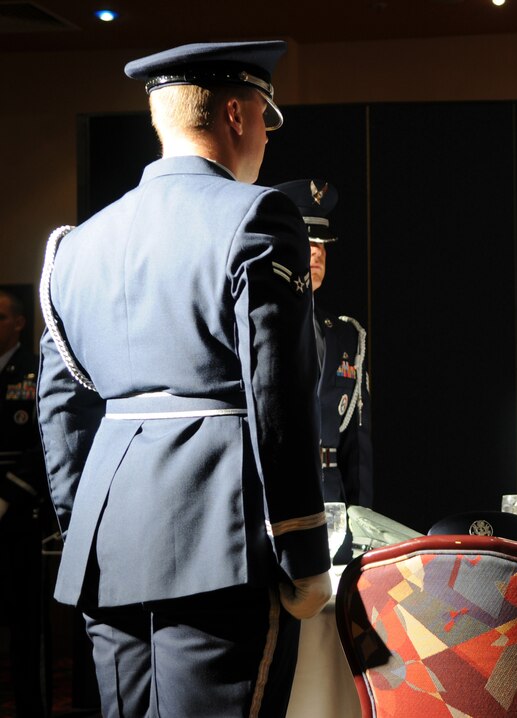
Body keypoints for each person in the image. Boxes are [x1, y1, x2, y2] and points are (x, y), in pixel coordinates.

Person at [36, 41, 332, 718]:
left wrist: (94, 526)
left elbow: (61, 410)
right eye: (263, 119)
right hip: (218, 540)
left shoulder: (75, 245)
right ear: (235, 114)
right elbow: (276, 392)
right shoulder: (257, 215)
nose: (263, 137)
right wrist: (302, 547)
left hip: (108, 546)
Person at [274, 178, 374, 562]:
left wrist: (361, 527)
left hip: (332, 503)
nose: (315, 254)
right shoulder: (253, 325)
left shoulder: (346, 335)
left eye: (322, 246)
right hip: (276, 497)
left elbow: (357, 448)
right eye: (305, 243)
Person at [1, 289, 49, 717]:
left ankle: (33, 708)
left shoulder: (32, 372)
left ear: (17, 322)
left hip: (17, 514)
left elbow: (41, 445)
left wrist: (8, 495)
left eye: (0, 317)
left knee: (24, 626)